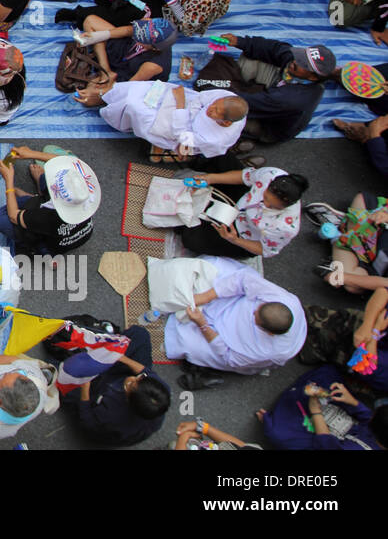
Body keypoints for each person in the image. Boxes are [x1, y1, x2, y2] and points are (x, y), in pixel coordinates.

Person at [160, 255, 306, 384]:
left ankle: (204, 369)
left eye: (255, 317)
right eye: (258, 307)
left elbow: (227, 355)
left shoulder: (267, 351)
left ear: (268, 333)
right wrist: (206, 297)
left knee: (188, 344)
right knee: (213, 266)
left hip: (224, 335)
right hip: (236, 299)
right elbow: (243, 280)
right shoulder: (287, 301)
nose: (254, 311)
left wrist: (202, 324)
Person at [197, 35, 336, 143]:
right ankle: (247, 86)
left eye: (302, 64)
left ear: (312, 78)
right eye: (300, 57)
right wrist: (239, 41)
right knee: (252, 56)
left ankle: (233, 142)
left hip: (268, 127)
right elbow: (274, 48)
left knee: (220, 114)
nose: (295, 62)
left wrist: (207, 94)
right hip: (273, 91)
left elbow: (245, 103)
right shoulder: (294, 65)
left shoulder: (292, 99)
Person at [58, 323, 170, 447]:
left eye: (131, 385)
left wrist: (85, 385)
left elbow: (87, 419)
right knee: (139, 334)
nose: (131, 379)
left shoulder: (113, 418)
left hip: (99, 395)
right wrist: (119, 356)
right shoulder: (160, 391)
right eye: (139, 379)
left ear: (128, 400)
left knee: (60, 379)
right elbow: (145, 372)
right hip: (117, 377)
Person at [85, 80, 249, 162]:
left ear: (226, 122)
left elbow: (182, 136)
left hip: (176, 128)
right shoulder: (227, 98)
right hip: (185, 106)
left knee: (135, 107)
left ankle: (113, 109)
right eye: (214, 106)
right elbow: (201, 99)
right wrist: (187, 107)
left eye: (215, 112)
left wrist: (179, 107)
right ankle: (107, 95)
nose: (210, 109)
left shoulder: (215, 138)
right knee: (143, 89)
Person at [178, 166, 308, 259]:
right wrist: (210, 178)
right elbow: (244, 177)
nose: (264, 205)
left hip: (243, 234)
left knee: (191, 239)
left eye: (272, 207)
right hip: (241, 203)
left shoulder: (285, 227)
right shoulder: (271, 174)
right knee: (221, 161)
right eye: (265, 198)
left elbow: (266, 250)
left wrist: (234, 240)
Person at [0, 150, 100, 255]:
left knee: (0, 219)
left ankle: (38, 249)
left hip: (52, 243)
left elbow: (13, 216)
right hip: (80, 235)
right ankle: (40, 192)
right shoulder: (83, 190)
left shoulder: (48, 218)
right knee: (48, 176)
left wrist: (9, 181)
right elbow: (61, 162)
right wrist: (30, 153)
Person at [259, 367, 387, 450]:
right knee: (329, 378)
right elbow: (365, 416)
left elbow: (325, 444)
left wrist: (315, 411)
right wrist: (352, 401)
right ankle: (282, 415)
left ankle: (276, 420)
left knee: (279, 433)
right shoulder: (378, 433)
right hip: (347, 428)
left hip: (327, 442)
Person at [69, 14, 179, 83]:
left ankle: (107, 75)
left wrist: (101, 93)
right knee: (90, 21)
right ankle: (106, 71)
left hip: (128, 72)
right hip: (125, 50)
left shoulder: (153, 66)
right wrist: (96, 37)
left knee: (95, 93)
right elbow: (127, 31)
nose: (137, 37)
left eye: (142, 40)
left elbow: (128, 87)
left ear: (155, 49)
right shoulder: (147, 24)